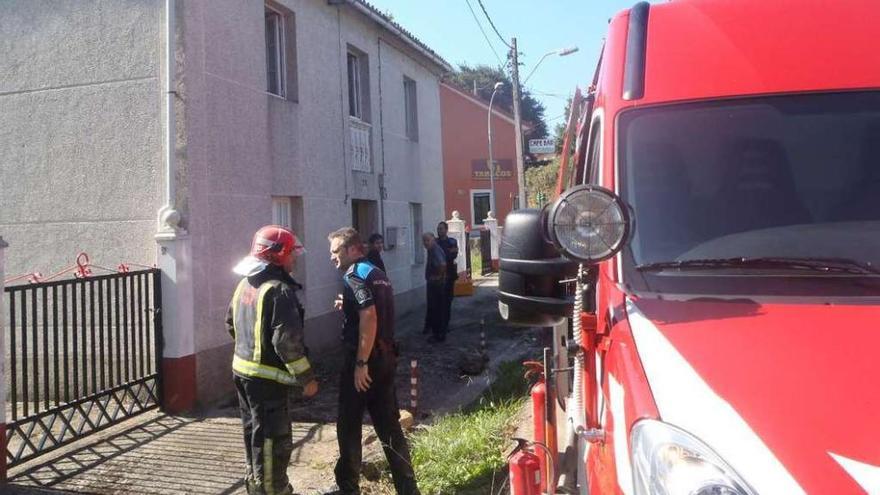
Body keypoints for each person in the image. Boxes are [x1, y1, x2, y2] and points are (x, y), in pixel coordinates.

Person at [226, 225, 319, 495]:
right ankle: (272, 491)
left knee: (253, 436)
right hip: (266, 382)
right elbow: (286, 343)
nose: (295, 259)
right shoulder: (279, 290)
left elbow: (231, 324)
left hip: (243, 375)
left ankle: (256, 487)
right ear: (277, 256)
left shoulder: (245, 283)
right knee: (272, 442)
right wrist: (307, 379)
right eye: (292, 254)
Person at [328, 227, 420, 495]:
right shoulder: (376, 273)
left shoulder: (354, 274)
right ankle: (408, 489)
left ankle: (347, 487)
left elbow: (369, 316)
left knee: (348, 424)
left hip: (364, 363)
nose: (332, 257)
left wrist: (360, 363)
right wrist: (346, 304)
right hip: (386, 359)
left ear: (352, 249)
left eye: (335, 251)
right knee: (389, 427)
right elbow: (370, 308)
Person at [421, 232, 447, 343]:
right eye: (424, 241)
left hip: (437, 285)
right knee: (434, 309)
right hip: (434, 284)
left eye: (428, 240)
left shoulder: (435, 250)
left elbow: (442, 265)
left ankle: (438, 335)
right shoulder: (431, 250)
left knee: (437, 310)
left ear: (433, 240)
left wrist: (438, 277)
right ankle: (436, 333)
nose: (425, 243)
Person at [435, 222, 458, 331]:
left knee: (447, 301)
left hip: (449, 275)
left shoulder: (452, 242)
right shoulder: (435, 242)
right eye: (438, 229)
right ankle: (438, 324)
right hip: (437, 275)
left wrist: (442, 254)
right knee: (438, 301)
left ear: (446, 230)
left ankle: (445, 324)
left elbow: (451, 256)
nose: (439, 231)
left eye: (441, 229)